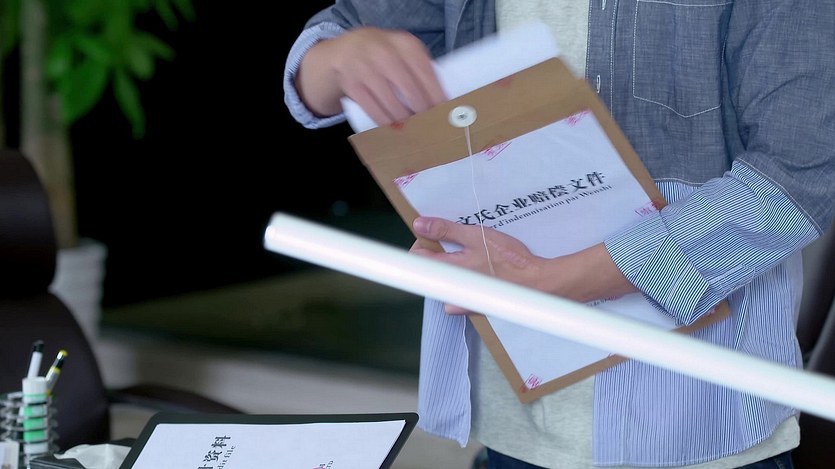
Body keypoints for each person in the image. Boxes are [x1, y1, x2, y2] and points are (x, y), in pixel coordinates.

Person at [283, 2, 835, 467]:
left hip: (696, 423)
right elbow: (333, 54)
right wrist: (335, 59)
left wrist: (554, 282)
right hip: (512, 415)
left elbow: (806, 171)